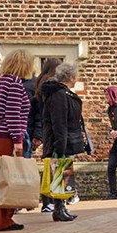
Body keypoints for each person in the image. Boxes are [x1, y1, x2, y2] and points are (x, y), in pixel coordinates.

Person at [0, 49, 35, 231]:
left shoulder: (3, 81)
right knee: (6, 178)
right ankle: (4, 220)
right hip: (5, 136)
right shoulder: (15, 83)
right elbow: (12, 114)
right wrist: (18, 140)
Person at [41, 63, 86, 222]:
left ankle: (61, 207)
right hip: (61, 141)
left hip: (66, 140)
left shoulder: (63, 93)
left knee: (62, 175)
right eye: (76, 75)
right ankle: (59, 208)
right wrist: (60, 145)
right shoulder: (59, 95)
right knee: (59, 175)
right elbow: (59, 122)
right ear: (71, 77)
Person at [31, 58, 61, 212]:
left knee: (50, 166)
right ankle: (53, 201)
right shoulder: (51, 85)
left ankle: (49, 201)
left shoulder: (40, 82)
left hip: (46, 130)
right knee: (55, 165)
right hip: (53, 130)